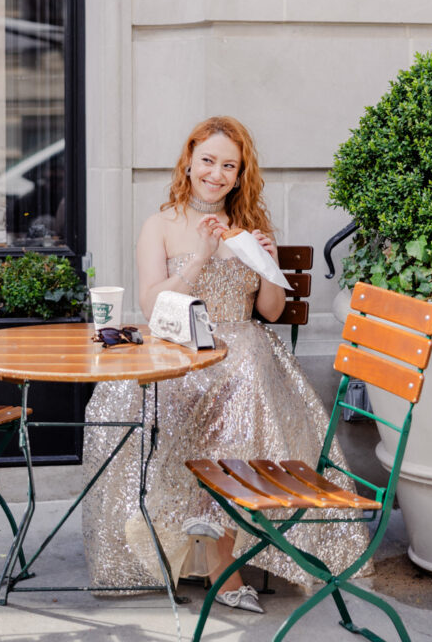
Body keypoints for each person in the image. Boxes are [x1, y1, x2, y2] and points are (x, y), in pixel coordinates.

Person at [81, 116, 368, 613]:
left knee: (244, 380)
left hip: (244, 350)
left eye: (228, 166)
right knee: (155, 396)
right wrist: (200, 257)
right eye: (208, 161)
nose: (216, 174)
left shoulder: (251, 226)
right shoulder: (160, 225)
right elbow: (151, 306)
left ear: (239, 175)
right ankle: (182, 533)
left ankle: (220, 553)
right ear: (189, 162)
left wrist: (268, 265)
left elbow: (271, 312)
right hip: (182, 348)